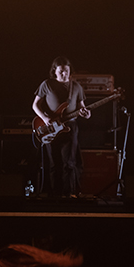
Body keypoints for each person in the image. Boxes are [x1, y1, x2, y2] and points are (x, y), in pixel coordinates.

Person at [32, 56, 91, 198]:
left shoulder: (76, 87)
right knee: (53, 163)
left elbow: (82, 108)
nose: (64, 74)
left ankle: (68, 193)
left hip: (70, 127)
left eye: (66, 70)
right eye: (61, 71)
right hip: (51, 127)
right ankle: (54, 194)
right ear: (55, 71)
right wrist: (45, 119)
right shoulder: (47, 84)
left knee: (69, 162)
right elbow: (35, 105)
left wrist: (86, 114)